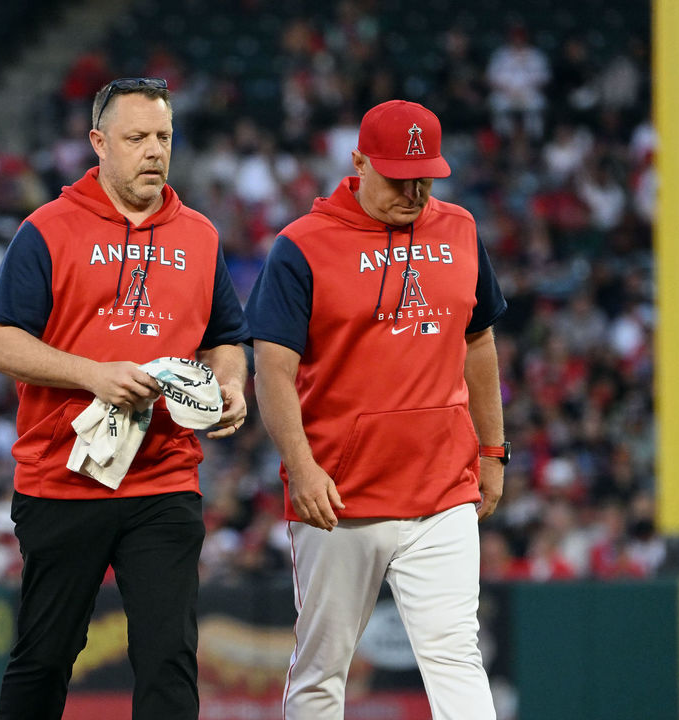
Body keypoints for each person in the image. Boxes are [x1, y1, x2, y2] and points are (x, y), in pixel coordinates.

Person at [0, 77, 250, 720]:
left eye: (163, 137)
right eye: (136, 138)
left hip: (163, 476)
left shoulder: (201, 236)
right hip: (62, 477)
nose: (154, 151)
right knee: (46, 655)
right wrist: (92, 374)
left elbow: (227, 339)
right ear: (98, 142)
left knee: (170, 655)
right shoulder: (47, 229)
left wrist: (232, 385)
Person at [245, 99, 507, 719]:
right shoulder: (302, 247)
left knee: (455, 655)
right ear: (358, 161)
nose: (414, 190)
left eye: (425, 175)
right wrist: (302, 468)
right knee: (322, 668)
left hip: (441, 488)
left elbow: (480, 342)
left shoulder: (460, 229)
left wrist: (493, 452)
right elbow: (272, 370)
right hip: (340, 495)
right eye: (397, 176)